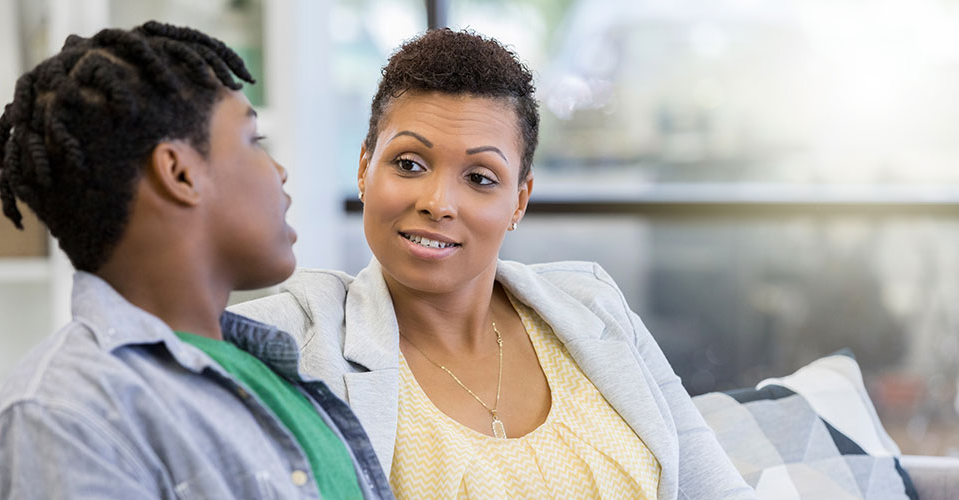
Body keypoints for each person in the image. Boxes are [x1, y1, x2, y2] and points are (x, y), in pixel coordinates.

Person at [232, 28, 754, 499]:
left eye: (480, 177)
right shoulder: (298, 339)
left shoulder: (595, 309)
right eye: (409, 164)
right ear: (366, 167)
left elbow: (716, 489)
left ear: (519, 201)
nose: (438, 202)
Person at [0, 21, 391, 499]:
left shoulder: (270, 367)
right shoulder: (65, 412)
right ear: (179, 172)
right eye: (253, 141)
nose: (279, 172)